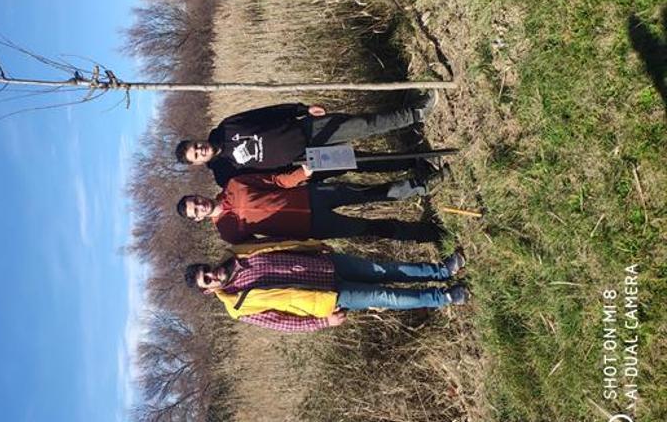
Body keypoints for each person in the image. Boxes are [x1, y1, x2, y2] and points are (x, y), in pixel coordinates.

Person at [184, 240, 469, 333]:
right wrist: (323, 322)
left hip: (328, 265)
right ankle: (444, 297)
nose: (212, 274)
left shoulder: (238, 252)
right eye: (206, 280)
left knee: (385, 268)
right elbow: (284, 324)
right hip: (329, 298)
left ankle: (442, 270)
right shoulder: (238, 306)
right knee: (387, 295)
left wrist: (313, 248)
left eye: (206, 270)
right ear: (208, 290)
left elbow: (280, 245)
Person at [175, 93, 439, 187]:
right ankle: (418, 161)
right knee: (360, 161)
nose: (200, 150)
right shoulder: (225, 174)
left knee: (363, 125)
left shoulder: (227, 126)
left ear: (198, 140)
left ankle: (414, 113)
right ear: (198, 163)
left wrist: (300, 109)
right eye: (196, 155)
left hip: (309, 130)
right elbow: (264, 183)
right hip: (306, 161)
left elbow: (266, 113)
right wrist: (299, 177)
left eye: (196, 146)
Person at [176, 164, 445, 244]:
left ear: (198, 195)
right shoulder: (228, 233)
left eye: (195, 200)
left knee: (368, 192)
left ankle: (422, 185)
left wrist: (301, 175)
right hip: (312, 226)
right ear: (198, 219)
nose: (199, 205)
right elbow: (268, 246)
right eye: (195, 210)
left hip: (312, 195)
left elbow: (275, 181)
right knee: (367, 228)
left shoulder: (234, 185)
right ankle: (426, 233)